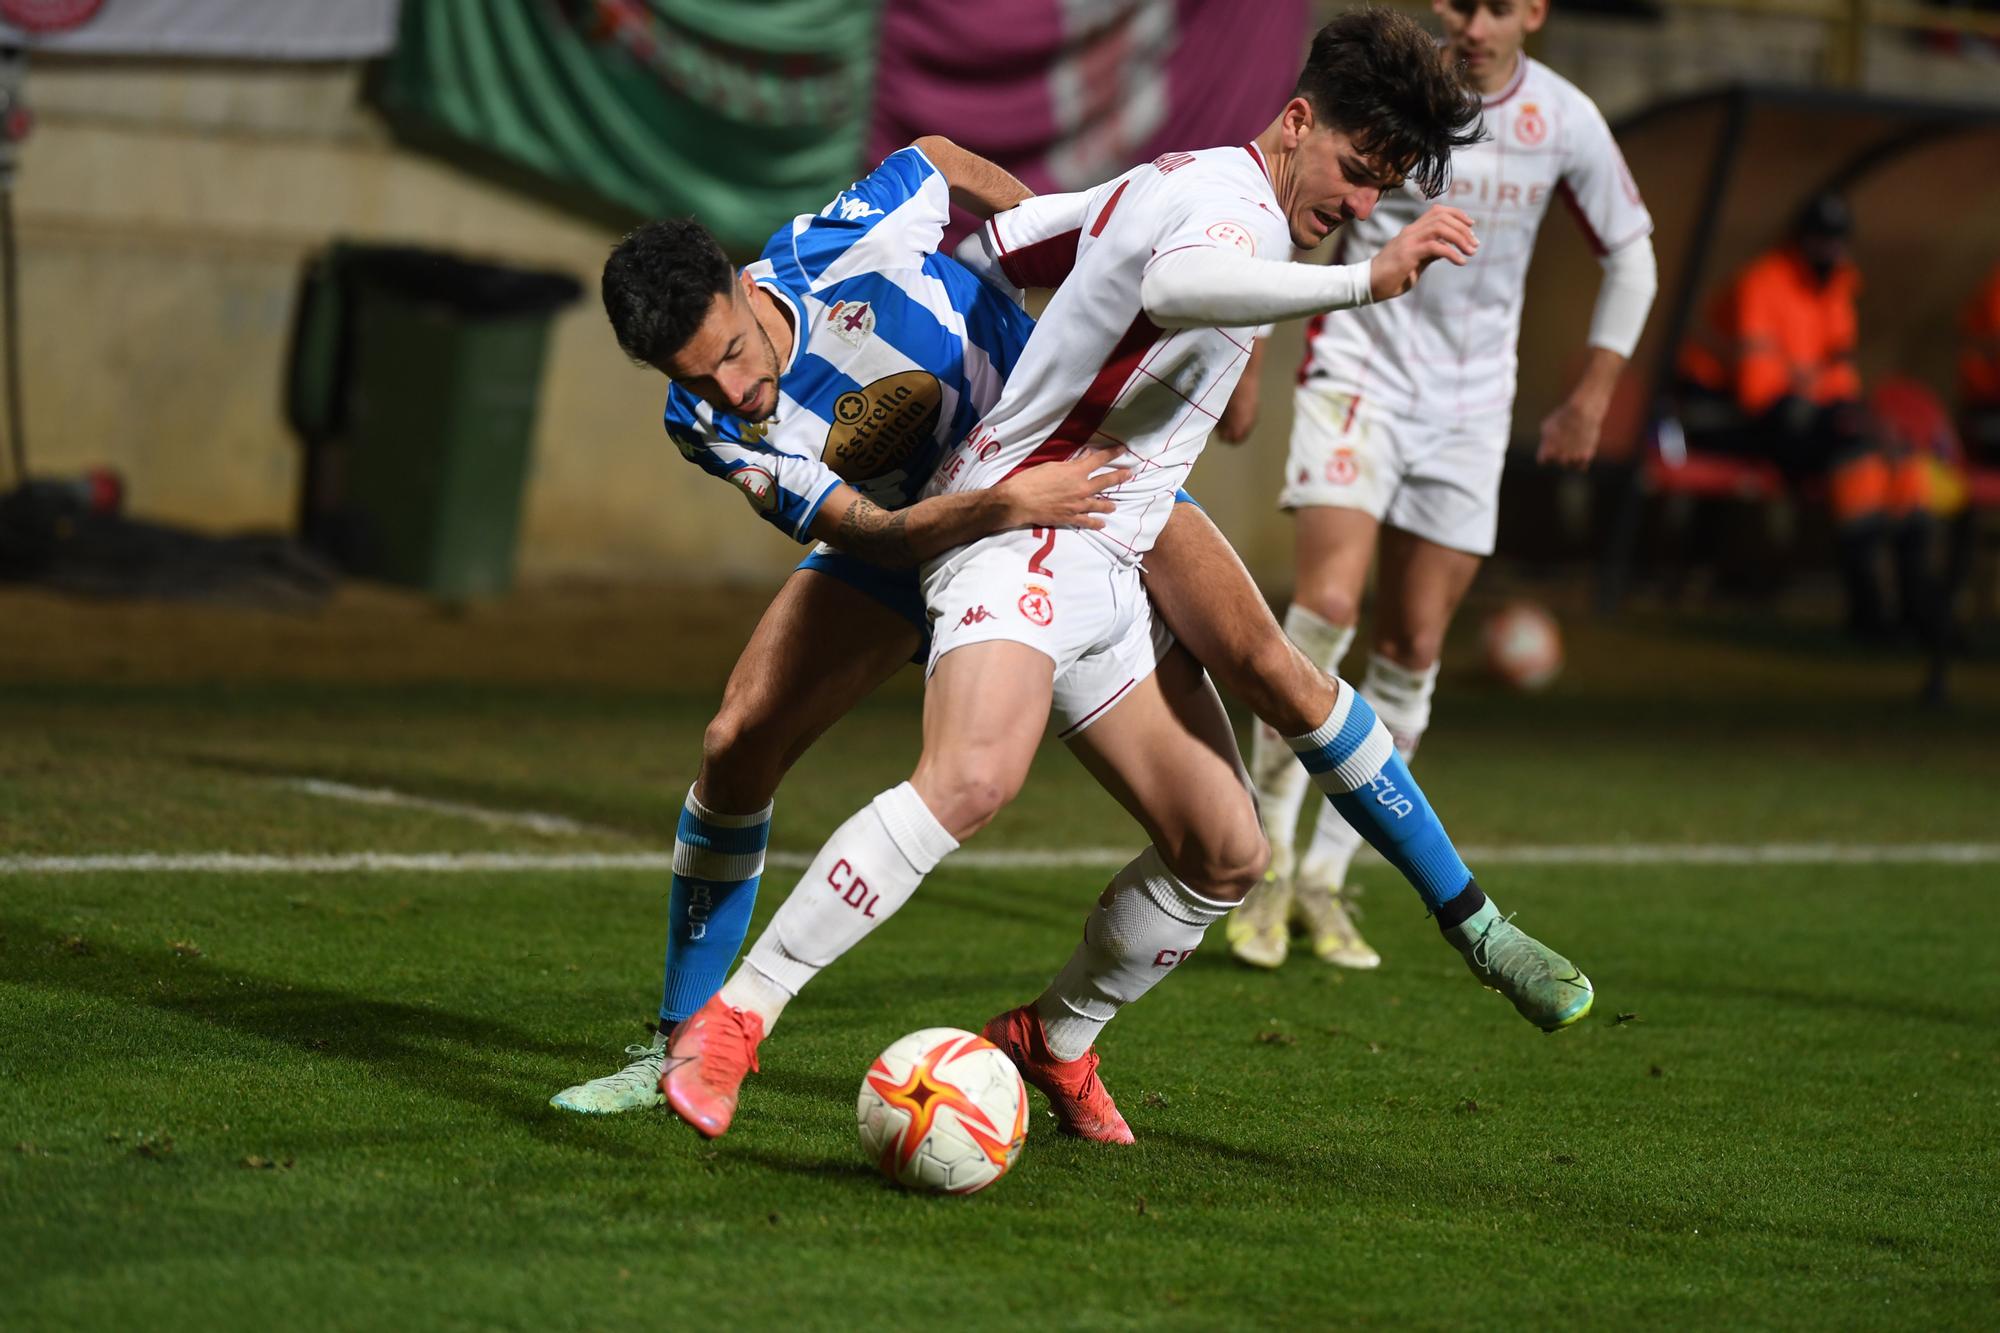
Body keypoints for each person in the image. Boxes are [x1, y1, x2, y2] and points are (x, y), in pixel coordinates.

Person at [661, 11, 1593, 1147]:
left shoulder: (1184, 181)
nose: (1359, 207)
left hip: (1118, 532)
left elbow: (1015, 244)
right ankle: (731, 1023)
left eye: (1379, 191)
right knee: (965, 778)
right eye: (1354, 174)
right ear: (1295, 123)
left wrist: (1123, 320)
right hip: (1025, 527)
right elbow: (1188, 280)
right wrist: (1356, 286)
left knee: (1228, 849)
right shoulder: (1226, 211)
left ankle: (1051, 1039)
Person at [1229, 0, 1657, 971]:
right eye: (1457, 3)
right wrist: (1249, 360)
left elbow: (1631, 256)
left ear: (1535, 13)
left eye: (1495, 6)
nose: (1471, 24)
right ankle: (1259, 855)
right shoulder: (1391, 91)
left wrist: (1591, 391)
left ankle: (1324, 879)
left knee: (1412, 643)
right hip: (1359, 372)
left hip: (1470, 408)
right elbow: (1283, 200)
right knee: (1328, 602)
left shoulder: (1565, 121)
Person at [1676, 193, 1937, 642]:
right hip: (1730, 418)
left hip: (1799, 418)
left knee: (1894, 460)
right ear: (1800, 241)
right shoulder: (1762, 283)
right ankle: (1869, 613)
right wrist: (1837, 419)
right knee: (1855, 459)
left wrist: (1855, 418)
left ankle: (1920, 610)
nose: (1830, 251)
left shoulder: (1838, 289)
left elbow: (1838, 377)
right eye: (1820, 240)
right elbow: (1760, 392)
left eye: (1838, 241)